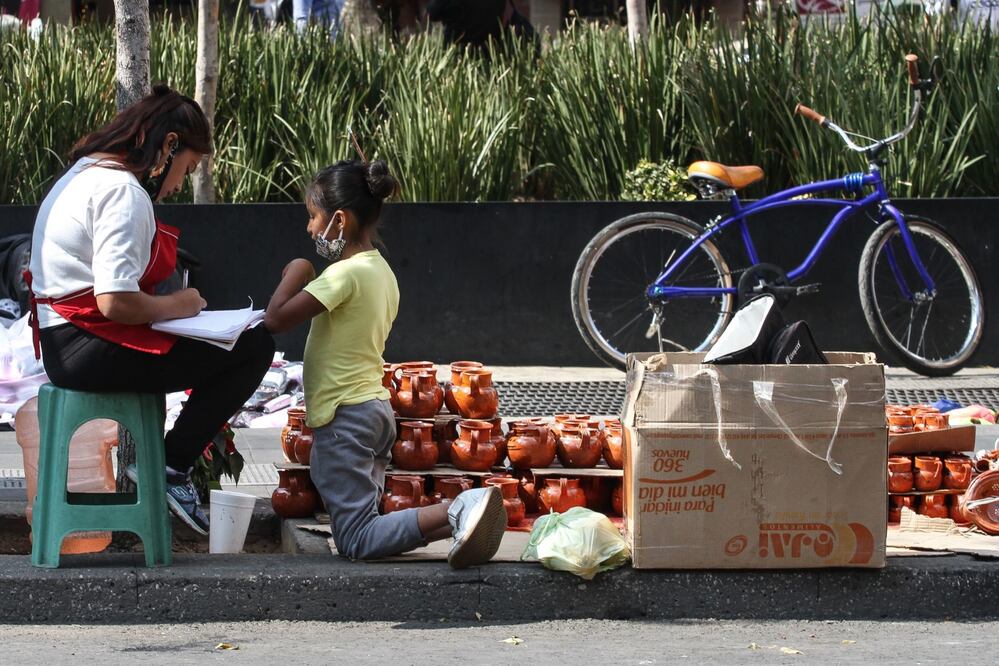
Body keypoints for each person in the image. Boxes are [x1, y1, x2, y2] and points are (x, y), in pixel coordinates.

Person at [27, 84, 276, 535]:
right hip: (87, 347)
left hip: (64, 343)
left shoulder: (83, 173)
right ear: (169, 146)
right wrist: (180, 304)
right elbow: (114, 301)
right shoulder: (122, 191)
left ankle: (170, 464)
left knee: (235, 343)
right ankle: (171, 466)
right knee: (255, 345)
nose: (180, 183)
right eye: (187, 168)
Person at [263, 159, 507, 567]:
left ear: (338, 220)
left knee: (356, 539)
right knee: (366, 528)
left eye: (312, 216)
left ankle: (461, 506)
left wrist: (297, 271)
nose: (309, 228)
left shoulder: (342, 275)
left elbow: (275, 319)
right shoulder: (382, 273)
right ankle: (463, 517)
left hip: (345, 420)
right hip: (373, 414)